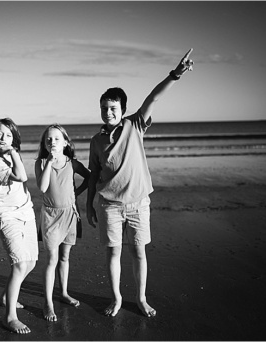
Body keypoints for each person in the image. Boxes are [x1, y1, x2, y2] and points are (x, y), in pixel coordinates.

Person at [85, 48, 194, 318]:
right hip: (109, 205)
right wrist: (88, 205)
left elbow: (154, 97)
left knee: (138, 253)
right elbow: (93, 175)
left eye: (113, 108)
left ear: (123, 110)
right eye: (104, 108)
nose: (108, 112)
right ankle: (117, 299)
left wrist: (176, 74)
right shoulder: (96, 141)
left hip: (138, 204)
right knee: (113, 254)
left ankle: (141, 299)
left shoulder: (135, 125)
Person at [0, 118, 37, 334]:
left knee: (31, 262)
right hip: (7, 215)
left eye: (8, 134)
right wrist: (14, 151)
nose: (3, 138)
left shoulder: (12, 156)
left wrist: (13, 153)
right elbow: (22, 176)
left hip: (26, 212)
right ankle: (10, 317)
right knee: (20, 264)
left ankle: (6, 297)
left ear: (14, 138)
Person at [35, 124, 90, 321]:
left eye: (57, 139)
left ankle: (64, 292)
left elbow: (90, 177)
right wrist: (50, 162)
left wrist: (77, 192)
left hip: (70, 214)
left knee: (65, 257)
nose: (53, 142)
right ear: (44, 144)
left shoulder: (72, 163)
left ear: (66, 142)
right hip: (51, 216)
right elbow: (42, 188)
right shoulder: (41, 162)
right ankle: (48, 303)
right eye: (48, 139)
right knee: (52, 258)